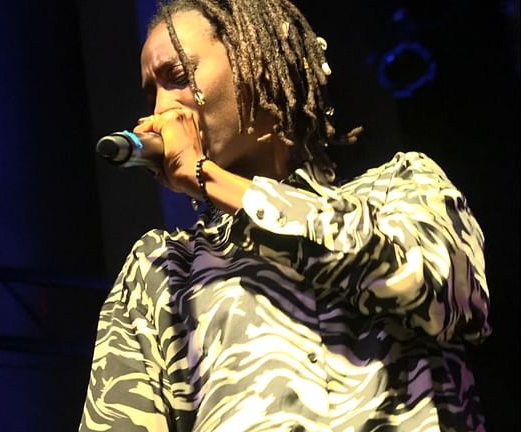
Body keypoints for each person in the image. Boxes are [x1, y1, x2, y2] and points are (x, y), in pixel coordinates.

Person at [80, 0, 490, 431]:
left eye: (178, 76)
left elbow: (451, 297)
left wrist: (206, 176)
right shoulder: (162, 270)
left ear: (255, 59)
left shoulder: (400, 189)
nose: (162, 109)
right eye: (152, 93)